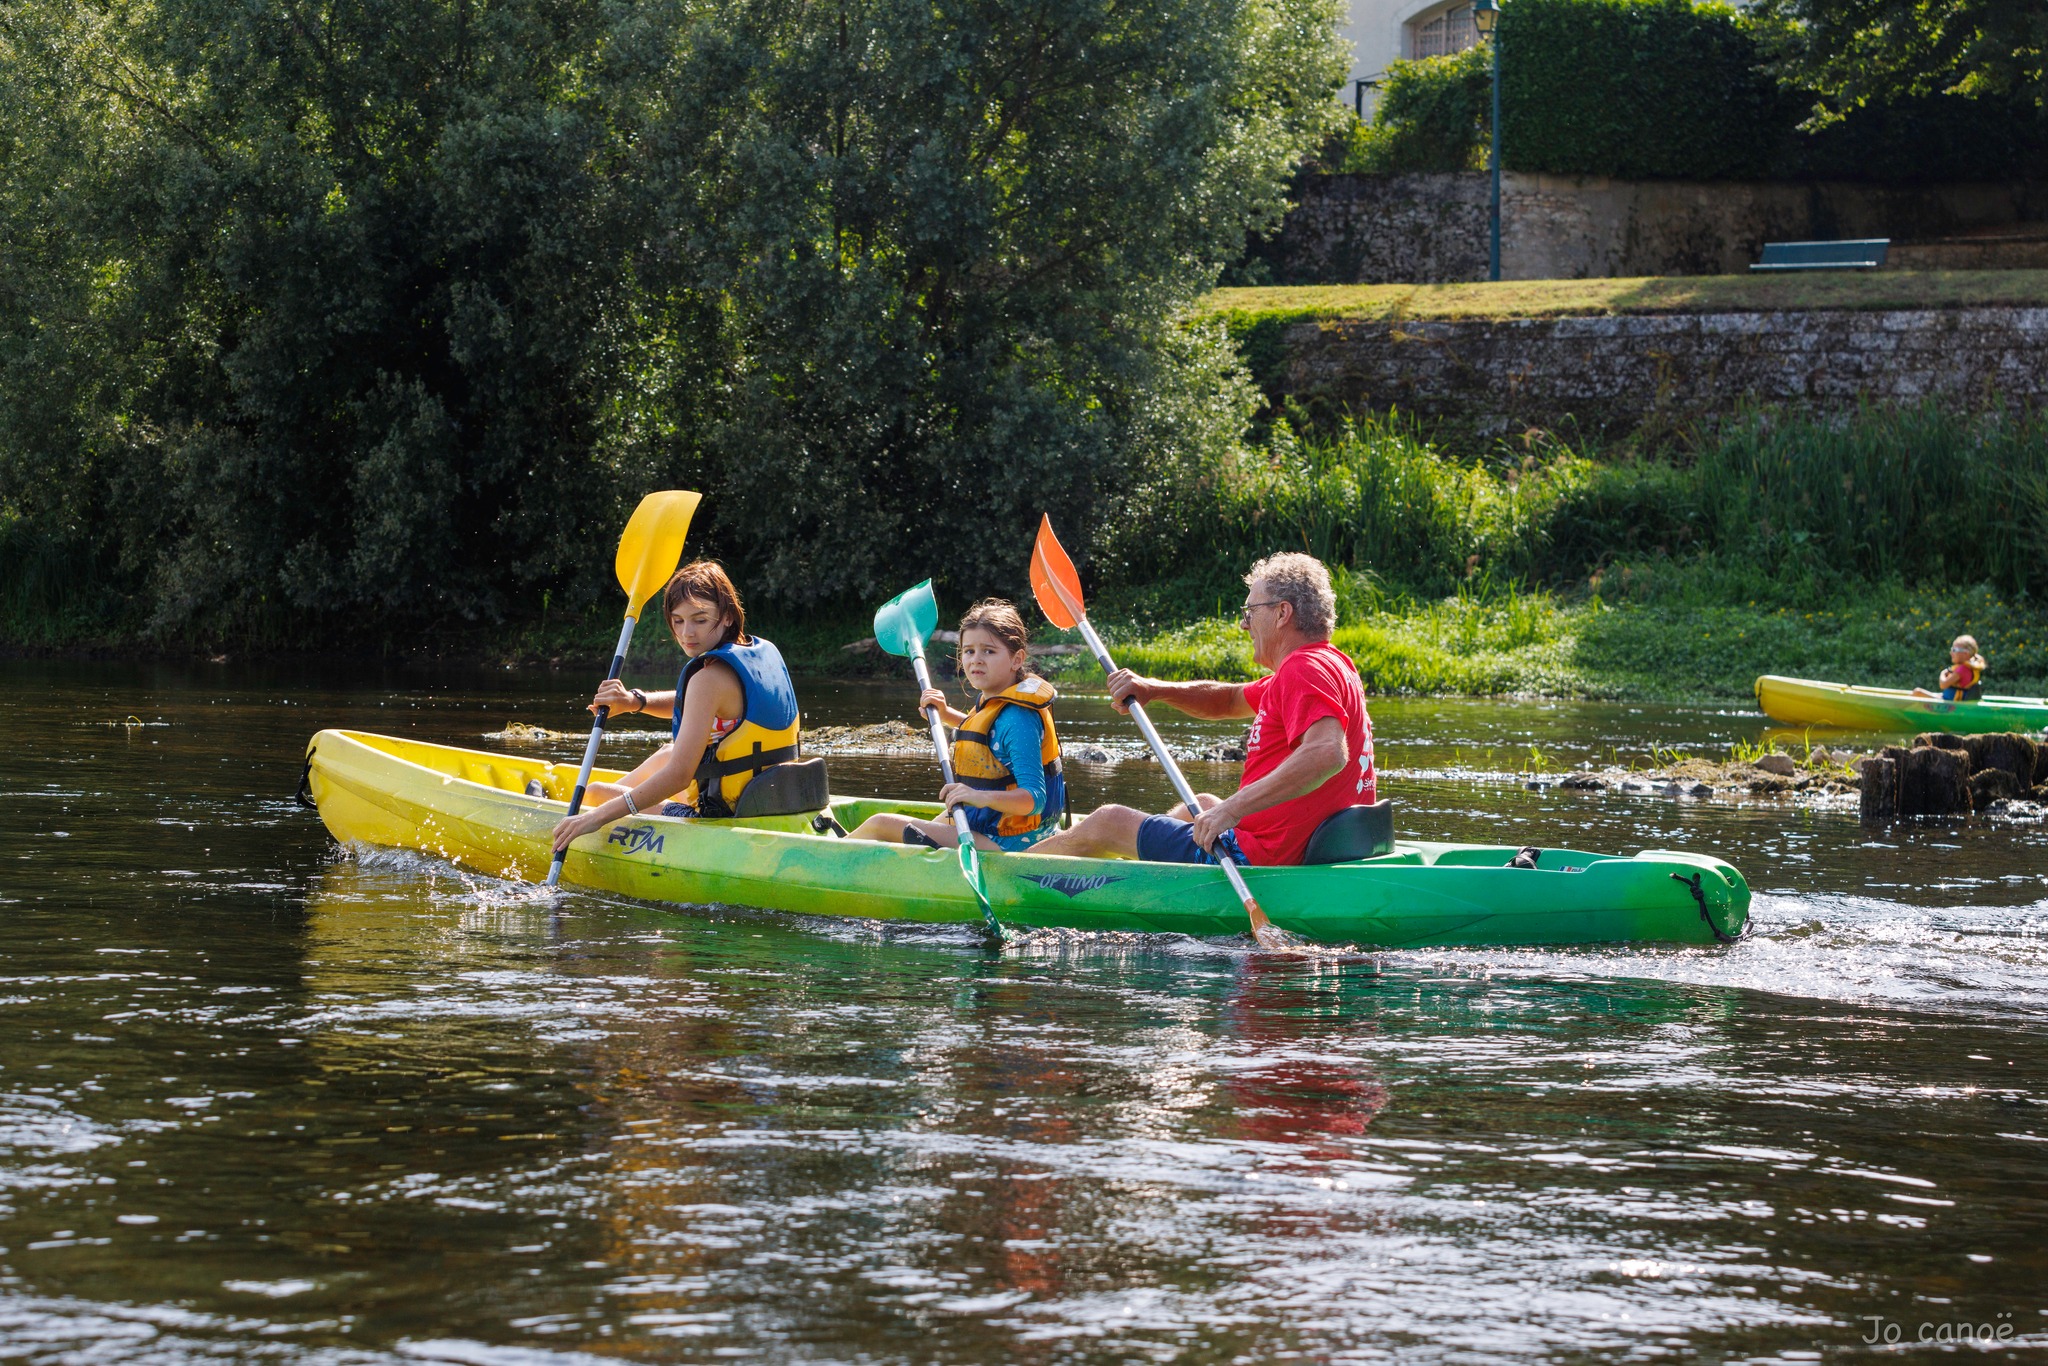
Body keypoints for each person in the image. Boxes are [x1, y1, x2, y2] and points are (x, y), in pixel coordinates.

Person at [1031, 552, 1373, 867]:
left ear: (1282, 613)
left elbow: (1327, 752)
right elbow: (1228, 700)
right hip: (1296, 845)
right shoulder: (1329, 664)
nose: (1244, 624)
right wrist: (1153, 689)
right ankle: (1137, 871)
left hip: (1260, 858)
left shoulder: (1303, 669)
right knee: (1204, 804)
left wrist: (1233, 808)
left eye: (1251, 612)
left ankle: (1009, 874)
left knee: (1108, 822)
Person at [550, 561, 799, 854]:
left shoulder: (708, 680)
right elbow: (697, 704)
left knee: (596, 793)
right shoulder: (759, 655)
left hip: (719, 818)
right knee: (667, 753)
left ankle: (574, 813)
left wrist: (598, 818)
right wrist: (636, 702)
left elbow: (679, 775)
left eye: (699, 620)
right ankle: (577, 807)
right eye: (678, 621)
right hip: (774, 798)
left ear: (728, 616)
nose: (686, 633)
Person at [849, 599, 1067, 853]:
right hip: (996, 824)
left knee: (879, 825)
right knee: (929, 826)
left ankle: (823, 859)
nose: (976, 660)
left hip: (1011, 841)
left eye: (989, 651)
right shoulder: (999, 701)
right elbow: (989, 737)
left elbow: (1034, 799)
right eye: (969, 651)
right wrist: (944, 714)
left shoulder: (1019, 718)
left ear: (1017, 659)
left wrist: (978, 796)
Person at [1913, 634, 1987, 701]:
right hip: (1948, 699)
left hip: (1949, 703)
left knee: (1917, 692)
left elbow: (1943, 685)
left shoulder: (1962, 669)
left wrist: (1942, 673)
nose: (1951, 653)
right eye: (1951, 649)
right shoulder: (1968, 667)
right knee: (1920, 692)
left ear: (1966, 653)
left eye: (1954, 650)